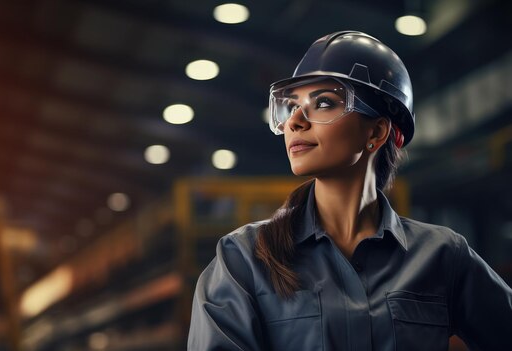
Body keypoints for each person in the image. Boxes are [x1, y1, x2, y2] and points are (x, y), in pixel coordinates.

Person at [187, 31, 512, 351]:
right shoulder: (243, 260)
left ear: (377, 131)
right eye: (291, 106)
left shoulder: (442, 257)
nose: (295, 122)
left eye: (324, 102)